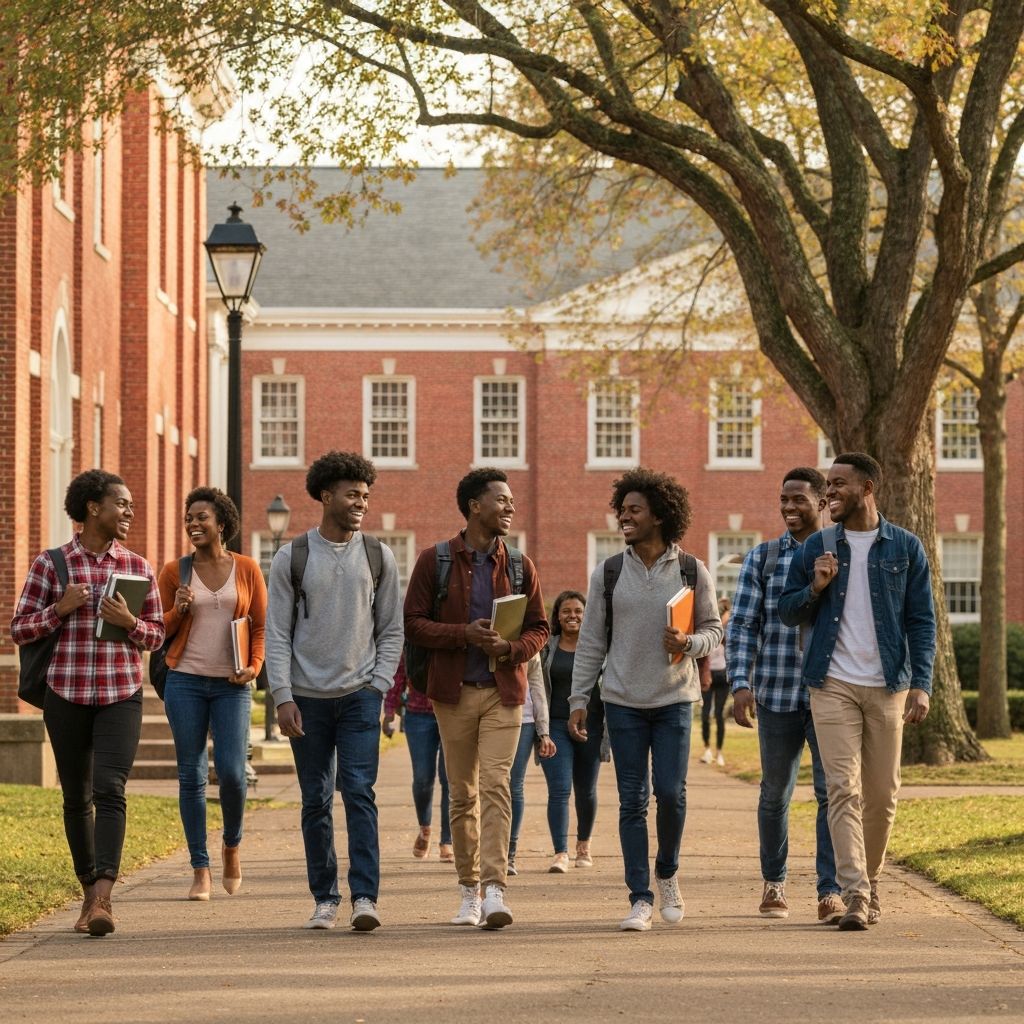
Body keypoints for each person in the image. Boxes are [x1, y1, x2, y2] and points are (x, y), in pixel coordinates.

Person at [779, 453, 936, 931]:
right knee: (841, 789)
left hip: (889, 684)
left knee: (882, 794)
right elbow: (787, 611)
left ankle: (868, 880)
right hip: (831, 683)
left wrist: (922, 685)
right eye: (827, 484)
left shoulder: (906, 548)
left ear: (867, 489)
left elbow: (921, 621)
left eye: (839, 484)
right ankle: (855, 895)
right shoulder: (817, 548)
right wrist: (816, 587)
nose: (829, 493)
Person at [11, 469, 164, 936]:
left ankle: (103, 898)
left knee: (110, 789)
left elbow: (156, 635)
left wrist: (129, 622)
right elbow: (19, 628)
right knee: (76, 798)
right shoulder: (50, 564)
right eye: (122, 503)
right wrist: (59, 609)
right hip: (66, 694)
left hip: (121, 693)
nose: (130, 512)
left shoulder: (137, 567)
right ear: (93, 508)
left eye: (132, 505)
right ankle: (87, 891)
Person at [569, 468, 722, 931]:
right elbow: (592, 640)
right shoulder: (609, 572)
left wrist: (688, 645)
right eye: (622, 510)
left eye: (634, 510)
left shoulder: (693, 570)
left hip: (674, 699)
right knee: (632, 801)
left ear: (660, 515)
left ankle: (668, 872)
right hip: (622, 701)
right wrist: (579, 698)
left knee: (671, 795)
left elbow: (714, 630)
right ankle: (640, 896)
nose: (624, 517)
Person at [265, 451, 404, 932]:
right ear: (326, 496)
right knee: (315, 800)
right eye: (352, 495)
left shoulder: (378, 555)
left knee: (360, 794)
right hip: (306, 700)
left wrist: (379, 686)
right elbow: (277, 633)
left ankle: (365, 897)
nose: (361, 503)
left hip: (359, 696)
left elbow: (392, 630)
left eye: (366, 496)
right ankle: (325, 898)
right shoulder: (293, 555)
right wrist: (282, 695)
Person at [404, 468, 549, 930]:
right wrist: (463, 635)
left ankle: (495, 890)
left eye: (510, 501)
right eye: (501, 500)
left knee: (496, 785)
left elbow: (540, 628)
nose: (509, 507)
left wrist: (510, 649)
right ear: (474, 507)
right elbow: (413, 623)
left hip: (504, 693)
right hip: (453, 694)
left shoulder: (522, 565)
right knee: (462, 793)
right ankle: (469, 890)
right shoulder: (435, 560)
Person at [726, 467, 844, 923]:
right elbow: (742, 625)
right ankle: (774, 882)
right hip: (775, 693)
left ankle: (829, 890)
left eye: (799, 499)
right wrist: (740, 683)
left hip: (830, 694)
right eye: (784, 500)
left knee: (830, 795)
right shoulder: (764, 557)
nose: (789, 507)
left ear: (821, 502)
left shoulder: (842, 553)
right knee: (774, 795)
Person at [158, 487, 267, 902]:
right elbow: (159, 631)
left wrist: (253, 668)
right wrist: (178, 610)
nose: (193, 524)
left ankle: (232, 846)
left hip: (231, 686)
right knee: (191, 774)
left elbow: (259, 627)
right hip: (185, 680)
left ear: (222, 523)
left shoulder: (247, 568)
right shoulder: (174, 572)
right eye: (189, 518)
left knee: (234, 773)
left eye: (201, 517)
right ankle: (200, 866)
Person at [539, 590, 605, 873]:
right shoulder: (547, 647)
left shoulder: (597, 647)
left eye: (578, 611)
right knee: (559, 789)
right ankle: (560, 852)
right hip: (555, 724)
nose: (572, 616)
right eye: (566, 611)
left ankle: (583, 846)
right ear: (557, 616)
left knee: (586, 789)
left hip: (591, 724)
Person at [382, 654, 455, 863]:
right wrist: (389, 712)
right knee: (423, 779)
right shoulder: (415, 632)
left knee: (450, 778)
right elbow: (399, 676)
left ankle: (447, 840)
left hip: (452, 711)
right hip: (418, 715)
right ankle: (425, 829)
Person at [507, 653, 555, 876]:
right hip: (488, 716)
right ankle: (485, 850)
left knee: (514, 786)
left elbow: (538, 688)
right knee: (487, 785)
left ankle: (509, 854)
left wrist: (543, 731)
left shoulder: (530, 643)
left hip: (524, 720)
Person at [700, 596, 731, 767]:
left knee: (719, 715)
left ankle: (719, 752)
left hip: (723, 677)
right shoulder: (708, 632)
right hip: (708, 676)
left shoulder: (727, 634)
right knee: (705, 715)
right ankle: (707, 750)